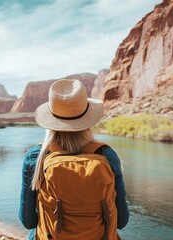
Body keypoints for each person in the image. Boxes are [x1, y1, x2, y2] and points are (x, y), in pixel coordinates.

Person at [19, 79, 129, 240]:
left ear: (50, 122)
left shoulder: (36, 156)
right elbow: (121, 221)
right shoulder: (106, 155)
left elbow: (28, 221)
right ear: (88, 121)